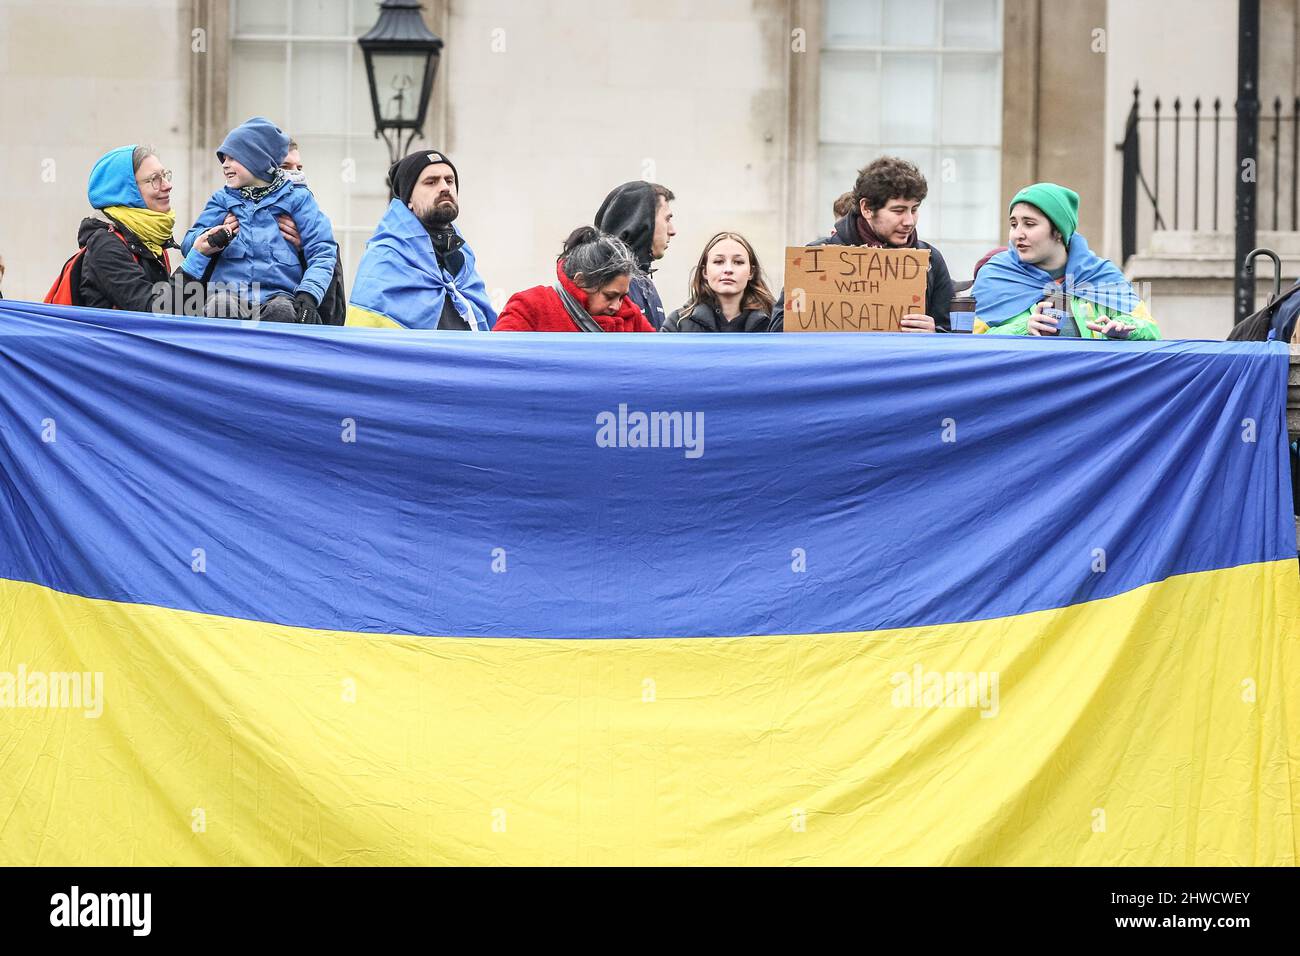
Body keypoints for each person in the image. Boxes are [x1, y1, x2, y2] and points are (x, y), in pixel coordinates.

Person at [180, 116, 337, 323]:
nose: (224, 165)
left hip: (280, 297)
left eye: (232, 158)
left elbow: (322, 250)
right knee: (219, 306)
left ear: (257, 160)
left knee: (282, 311)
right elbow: (188, 243)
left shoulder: (298, 199)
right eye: (223, 159)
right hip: (227, 294)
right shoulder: (222, 199)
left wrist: (308, 294)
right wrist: (210, 237)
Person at [774, 156, 954, 332]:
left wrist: (934, 332)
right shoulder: (815, 258)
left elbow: (954, 333)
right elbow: (777, 328)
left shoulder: (931, 260)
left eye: (914, 209)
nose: (909, 221)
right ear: (866, 208)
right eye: (898, 211)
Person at [972, 183, 1159, 339]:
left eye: (1029, 224)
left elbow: (1152, 331)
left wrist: (1124, 329)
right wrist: (1023, 328)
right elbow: (969, 341)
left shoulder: (1102, 274)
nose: (1017, 234)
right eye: (1014, 224)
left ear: (1059, 231)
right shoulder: (995, 275)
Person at [347, 149, 496, 330]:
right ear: (408, 198)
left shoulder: (463, 257)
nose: (444, 187)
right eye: (431, 182)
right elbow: (366, 340)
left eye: (449, 180)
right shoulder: (386, 256)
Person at [73, 144, 211, 313]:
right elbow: (154, 311)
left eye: (165, 175)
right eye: (154, 179)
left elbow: (182, 308)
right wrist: (196, 258)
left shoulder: (147, 238)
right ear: (125, 190)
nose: (167, 185)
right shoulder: (105, 245)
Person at [493, 227, 655, 333]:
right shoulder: (531, 306)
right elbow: (500, 361)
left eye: (622, 296)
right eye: (609, 296)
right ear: (581, 281)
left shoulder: (630, 313)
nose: (617, 306)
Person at [269, 138, 346, 324]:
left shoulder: (316, 229)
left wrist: (305, 252)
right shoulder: (229, 213)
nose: (296, 174)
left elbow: (334, 313)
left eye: (299, 167)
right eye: (286, 166)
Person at [593, 181, 676, 329]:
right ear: (643, 222)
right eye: (667, 219)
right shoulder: (603, 283)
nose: (672, 230)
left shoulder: (643, 281)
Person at [662, 232, 777, 332]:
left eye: (738, 262)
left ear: (751, 272)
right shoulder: (678, 324)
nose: (728, 269)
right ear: (705, 271)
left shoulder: (775, 324)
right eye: (718, 261)